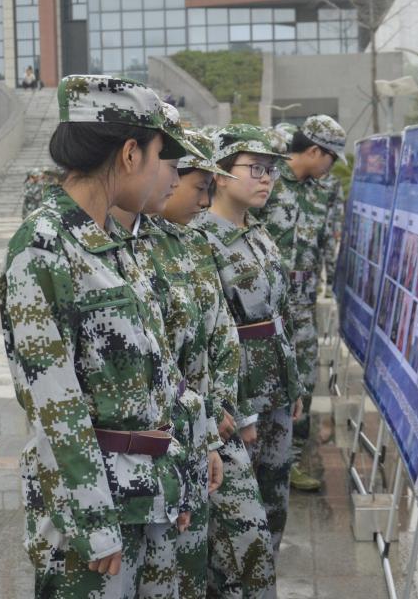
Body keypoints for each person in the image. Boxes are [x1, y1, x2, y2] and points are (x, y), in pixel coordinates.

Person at [0, 75, 194, 597]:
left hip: (148, 492)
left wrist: (180, 476)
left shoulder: (114, 241)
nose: (164, 173)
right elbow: (54, 403)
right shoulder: (44, 246)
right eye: (159, 155)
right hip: (93, 515)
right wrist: (93, 521)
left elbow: (159, 375)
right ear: (130, 154)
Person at [110, 107, 229, 599]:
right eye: (171, 163)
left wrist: (207, 435)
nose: (192, 191)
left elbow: (212, 337)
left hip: (182, 441)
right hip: (119, 470)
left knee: (184, 577)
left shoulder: (176, 242)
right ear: (132, 156)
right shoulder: (72, 245)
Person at [191, 124, 303, 587]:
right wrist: (239, 411)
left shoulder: (259, 233)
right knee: (237, 527)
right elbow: (208, 337)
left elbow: (280, 315)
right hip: (239, 398)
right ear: (219, 174)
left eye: (271, 169)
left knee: (274, 506)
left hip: (276, 388)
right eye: (255, 168)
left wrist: (293, 385)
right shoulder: (199, 239)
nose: (267, 178)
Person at [166, 128, 276, 598]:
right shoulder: (159, 248)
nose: (203, 199)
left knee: (251, 554)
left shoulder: (190, 244)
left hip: (217, 424)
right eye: (199, 185)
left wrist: (228, 408)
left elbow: (222, 336)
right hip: (177, 436)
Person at [252, 115, 346, 492]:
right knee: (265, 379)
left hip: (303, 304)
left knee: (304, 379)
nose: (331, 167)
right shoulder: (269, 181)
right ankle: (256, 458)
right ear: (314, 151)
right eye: (331, 158)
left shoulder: (322, 191)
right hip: (264, 303)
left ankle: (289, 462)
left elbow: (326, 244)